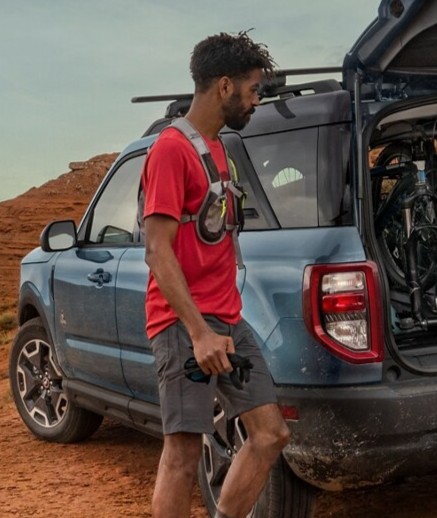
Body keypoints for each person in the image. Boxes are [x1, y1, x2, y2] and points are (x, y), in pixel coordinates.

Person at [140, 31, 290, 518]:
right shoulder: (170, 150)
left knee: (270, 434)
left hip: (227, 320)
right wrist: (198, 332)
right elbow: (157, 251)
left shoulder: (217, 148)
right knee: (183, 454)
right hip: (187, 330)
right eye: (252, 90)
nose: (256, 101)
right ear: (224, 86)